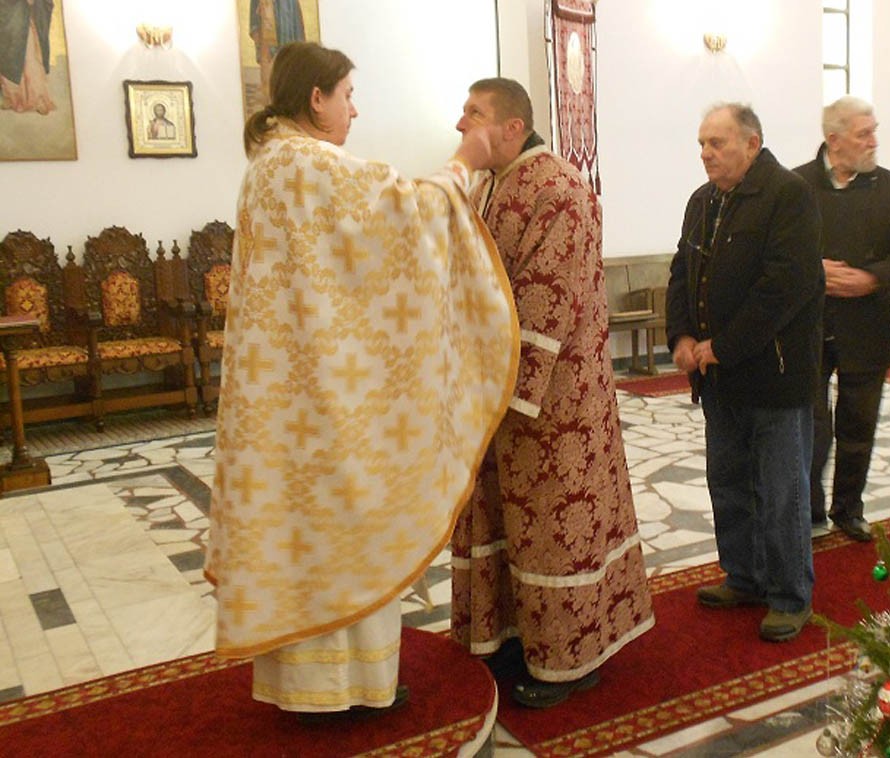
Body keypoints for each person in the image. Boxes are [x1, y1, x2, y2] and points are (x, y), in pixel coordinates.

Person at [205, 42, 519, 716]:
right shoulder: (308, 164)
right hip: (323, 403)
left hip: (285, 399)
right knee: (350, 520)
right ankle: (349, 689)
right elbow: (409, 212)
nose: (355, 109)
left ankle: (306, 689)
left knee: (302, 536)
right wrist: (465, 161)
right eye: (347, 95)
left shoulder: (268, 166)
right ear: (315, 98)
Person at [449, 77, 654, 709]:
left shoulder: (560, 188)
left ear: (512, 126)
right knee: (505, 520)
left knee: (555, 526)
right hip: (496, 390)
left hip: (555, 402)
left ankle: (571, 660)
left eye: (474, 112)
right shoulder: (487, 185)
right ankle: (515, 636)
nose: (460, 123)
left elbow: (546, 297)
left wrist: (507, 389)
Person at [666, 103, 823, 642]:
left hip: (774, 376)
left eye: (718, 143)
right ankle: (744, 576)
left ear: (752, 143)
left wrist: (723, 347)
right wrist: (681, 336)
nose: (706, 153)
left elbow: (785, 287)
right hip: (720, 379)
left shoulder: (789, 195)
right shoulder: (702, 201)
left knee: (781, 491)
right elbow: (682, 273)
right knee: (729, 482)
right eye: (702, 144)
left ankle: (789, 596)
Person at [793, 96, 890, 543]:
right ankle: (808, 511)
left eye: (874, 131)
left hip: (867, 328)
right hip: (808, 330)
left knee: (858, 427)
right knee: (811, 428)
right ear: (834, 139)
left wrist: (872, 279)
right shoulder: (796, 186)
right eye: (863, 133)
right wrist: (813, 271)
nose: (873, 141)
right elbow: (773, 251)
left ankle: (848, 508)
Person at [0, 0, 57, 115]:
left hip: (27, 18)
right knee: (8, 57)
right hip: (9, 15)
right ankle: (12, 98)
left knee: (31, 58)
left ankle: (39, 99)